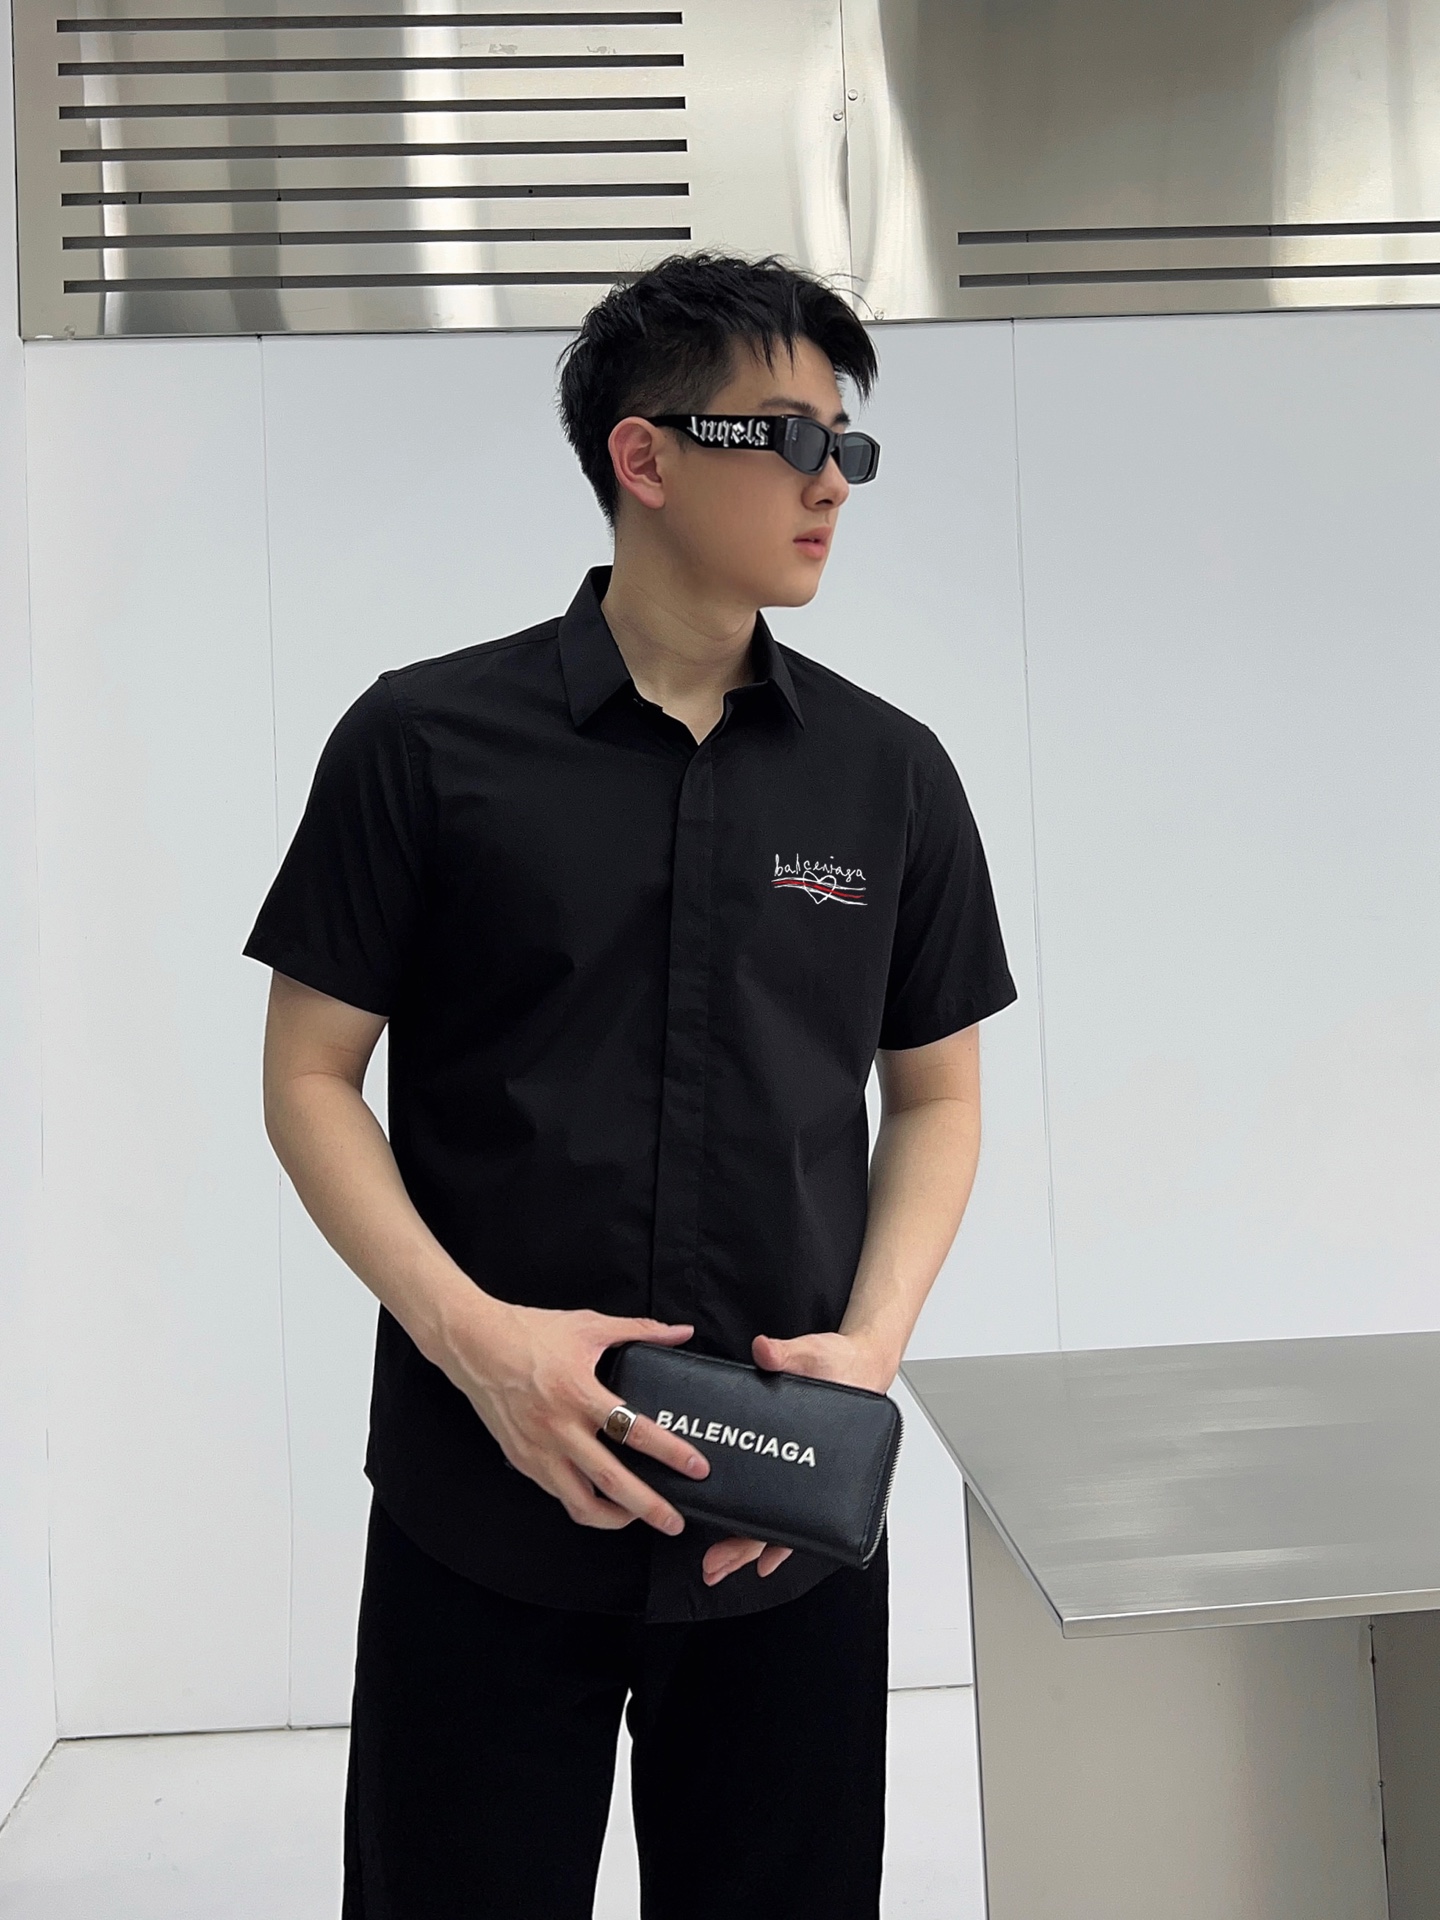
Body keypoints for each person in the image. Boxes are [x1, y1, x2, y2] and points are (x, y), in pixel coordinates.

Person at [245, 250, 1016, 1920]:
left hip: (779, 1513)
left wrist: (867, 1359)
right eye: (788, 437)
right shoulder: (422, 744)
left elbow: (938, 1098)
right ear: (642, 456)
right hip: (483, 1493)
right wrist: (478, 1344)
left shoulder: (889, 775)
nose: (832, 481)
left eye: (847, 444)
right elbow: (308, 1075)